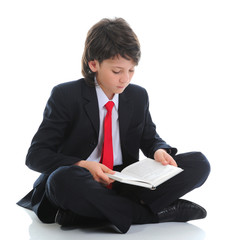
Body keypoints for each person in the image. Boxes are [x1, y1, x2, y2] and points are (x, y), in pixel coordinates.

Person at [17, 18, 210, 233]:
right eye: (117, 71)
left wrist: (158, 150)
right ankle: (157, 214)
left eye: (131, 71)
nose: (125, 79)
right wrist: (83, 165)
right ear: (94, 64)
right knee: (62, 179)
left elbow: (149, 137)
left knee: (199, 163)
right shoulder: (66, 95)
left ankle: (89, 214)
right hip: (83, 179)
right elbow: (36, 156)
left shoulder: (138, 96)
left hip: (125, 181)